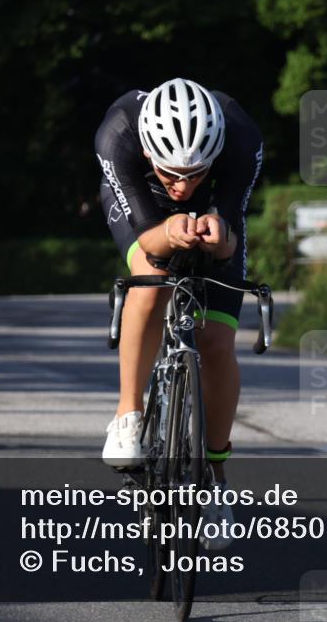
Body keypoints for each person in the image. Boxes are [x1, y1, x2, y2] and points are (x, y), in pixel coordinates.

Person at [95, 77, 263, 549]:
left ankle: (213, 475)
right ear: (150, 152)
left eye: (194, 172)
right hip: (141, 207)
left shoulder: (241, 138)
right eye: (172, 172)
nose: (184, 185)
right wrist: (169, 229)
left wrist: (219, 233)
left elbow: (230, 229)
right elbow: (150, 236)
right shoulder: (119, 134)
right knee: (150, 273)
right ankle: (128, 412)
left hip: (217, 212)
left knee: (214, 341)